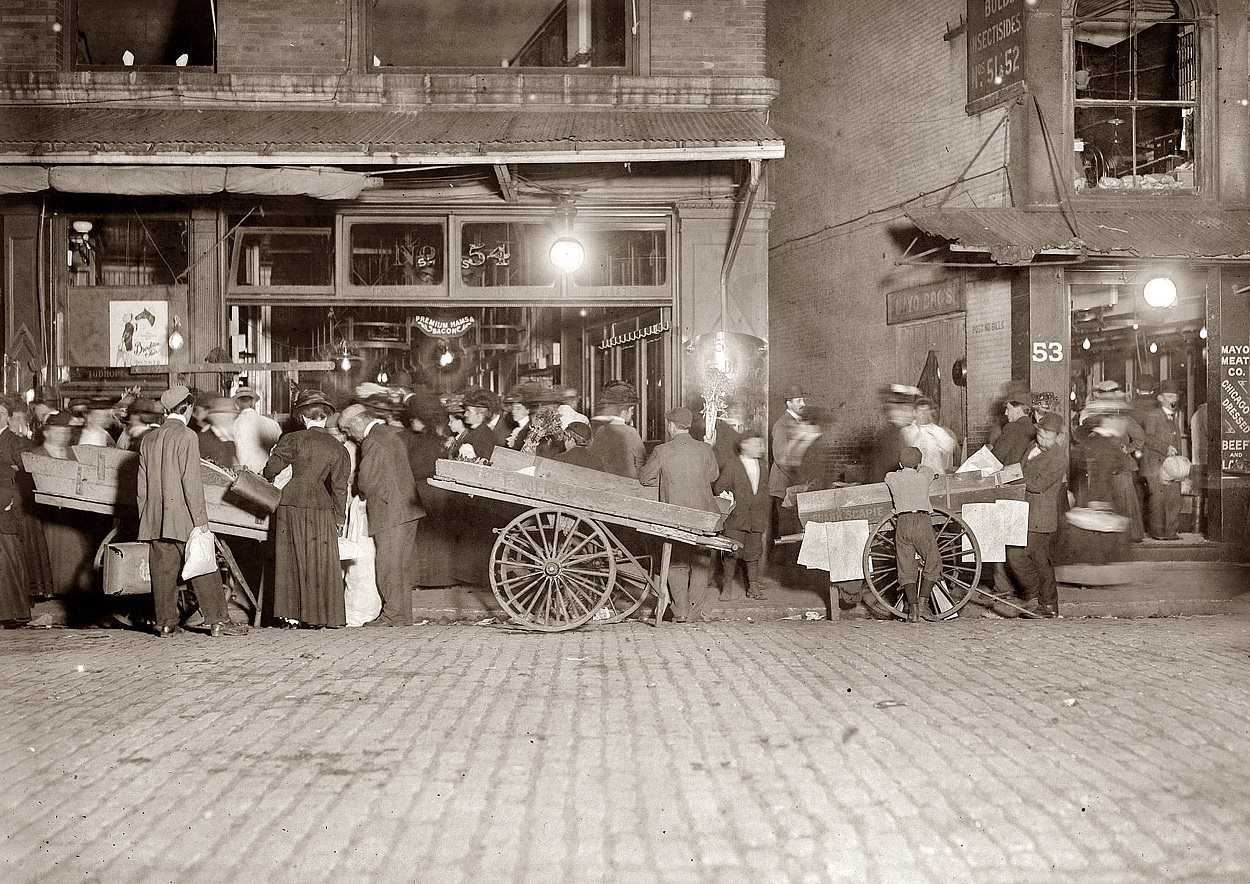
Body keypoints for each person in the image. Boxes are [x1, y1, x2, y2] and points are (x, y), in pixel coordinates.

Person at [136, 384, 246, 637]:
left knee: (163, 572)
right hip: (184, 517)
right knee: (203, 565)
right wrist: (201, 521)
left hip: (155, 519)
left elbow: (142, 485)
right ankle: (218, 621)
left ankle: (165, 623)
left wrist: (147, 518)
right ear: (187, 408)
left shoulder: (149, 438)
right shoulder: (187, 436)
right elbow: (191, 482)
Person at [262, 389, 351, 628]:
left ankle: (292, 616)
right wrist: (339, 519)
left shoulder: (292, 440)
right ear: (325, 417)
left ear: (302, 417)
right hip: (322, 507)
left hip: (291, 503)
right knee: (318, 561)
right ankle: (319, 617)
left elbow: (270, 470)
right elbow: (340, 488)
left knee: (291, 558)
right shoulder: (337, 447)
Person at [340, 403, 423, 627]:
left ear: (358, 422)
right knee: (400, 565)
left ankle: (392, 616)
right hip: (406, 508)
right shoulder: (389, 432)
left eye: (348, 429)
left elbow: (367, 481)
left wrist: (356, 489)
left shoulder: (372, 441)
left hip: (390, 511)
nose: (349, 435)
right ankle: (402, 615)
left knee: (388, 565)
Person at [639, 407, 720, 622]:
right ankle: (693, 613)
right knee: (701, 563)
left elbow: (645, 478)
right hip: (705, 517)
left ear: (671, 426)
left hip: (675, 517)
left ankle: (680, 611)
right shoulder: (704, 449)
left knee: (677, 562)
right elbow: (713, 476)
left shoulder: (662, 451)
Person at [1005, 413, 1068, 618]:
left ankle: (1038, 599)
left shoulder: (1058, 458)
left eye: (1048, 437)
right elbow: (1022, 468)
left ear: (1058, 437)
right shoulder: (1033, 445)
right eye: (1040, 435)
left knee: (1019, 555)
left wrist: (1012, 478)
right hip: (1025, 511)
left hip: (1040, 516)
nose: (1042, 440)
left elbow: (1038, 484)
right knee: (1040, 560)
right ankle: (1047, 604)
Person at [404, 388, 457, 588]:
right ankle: (439, 578)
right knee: (435, 536)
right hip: (435, 491)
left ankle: (431, 579)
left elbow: (417, 468)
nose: (412, 421)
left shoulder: (423, 442)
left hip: (426, 491)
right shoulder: (435, 439)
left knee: (427, 536)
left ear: (423, 419)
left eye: (415, 418)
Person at [883, 447, 941, 622]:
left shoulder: (892, 478)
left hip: (903, 522)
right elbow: (928, 470)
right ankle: (923, 605)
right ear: (918, 464)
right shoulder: (923, 476)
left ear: (900, 463)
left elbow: (889, 475)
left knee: (905, 565)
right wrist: (919, 467)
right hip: (921, 521)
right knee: (933, 561)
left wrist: (902, 469)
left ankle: (913, 610)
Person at [713, 431, 770, 601]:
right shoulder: (732, 465)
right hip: (736, 519)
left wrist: (763, 514)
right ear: (744, 446)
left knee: (754, 553)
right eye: (757, 444)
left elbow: (765, 492)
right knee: (732, 553)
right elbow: (719, 488)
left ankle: (753, 587)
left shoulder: (763, 466)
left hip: (756, 519)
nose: (761, 448)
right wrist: (728, 498)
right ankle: (727, 587)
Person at [1141, 378, 1185, 540]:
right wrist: (1165, 448)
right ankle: (1158, 533)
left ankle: (1171, 532)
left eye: (1175, 397)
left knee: (1174, 498)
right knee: (1158, 501)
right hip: (1154, 465)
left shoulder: (1173, 417)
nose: (1173, 400)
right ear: (1160, 398)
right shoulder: (1154, 415)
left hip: (1169, 466)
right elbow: (1147, 438)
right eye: (1169, 396)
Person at [586, 380, 647, 479]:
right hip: (628, 483)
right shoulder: (631, 432)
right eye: (631, 410)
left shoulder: (601, 430)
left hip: (604, 480)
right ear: (624, 411)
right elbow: (641, 461)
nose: (632, 414)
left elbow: (594, 457)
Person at [865, 385, 917, 483]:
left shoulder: (898, 434)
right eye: (907, 410)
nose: (911, 414)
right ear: (895, 411)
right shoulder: (892, 436)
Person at [231, 385, 281, 473]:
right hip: (265, 472)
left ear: (237, 403)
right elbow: (280, 449)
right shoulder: (271, 424)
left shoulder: (232, 425)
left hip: (240, 474)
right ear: (253, 402)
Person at [904, 397, 958, 473]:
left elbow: (950, 447)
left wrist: (934, 433)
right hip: (914, 478)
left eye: (926, 411)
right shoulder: (906, 432)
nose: (923, 414)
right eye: (920, 411)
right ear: (914, 412)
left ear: (930, 413)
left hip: (935, 476)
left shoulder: (938, 431)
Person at [797, 405, 840, 491]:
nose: (799, 426)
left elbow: (820, 479)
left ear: (809, 424)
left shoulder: (816, 447)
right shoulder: (812, 445)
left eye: (802, 422)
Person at [991, 391, 1036, 468]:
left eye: (1008, 409)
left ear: (1018, 410)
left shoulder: (1012, 427)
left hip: (1011, 477)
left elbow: (996, 457)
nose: (1005, 413)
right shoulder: (1033, 427)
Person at [457, 387, 504, 461]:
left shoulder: (483, 437)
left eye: (469, 411)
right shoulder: (476, 432)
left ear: (480, 415)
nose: (465, 414)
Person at [198, 396, 240, 469]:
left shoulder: (228, 439)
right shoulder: (203, 440)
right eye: (230, 415)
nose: (232, 418)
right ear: (218, 417)